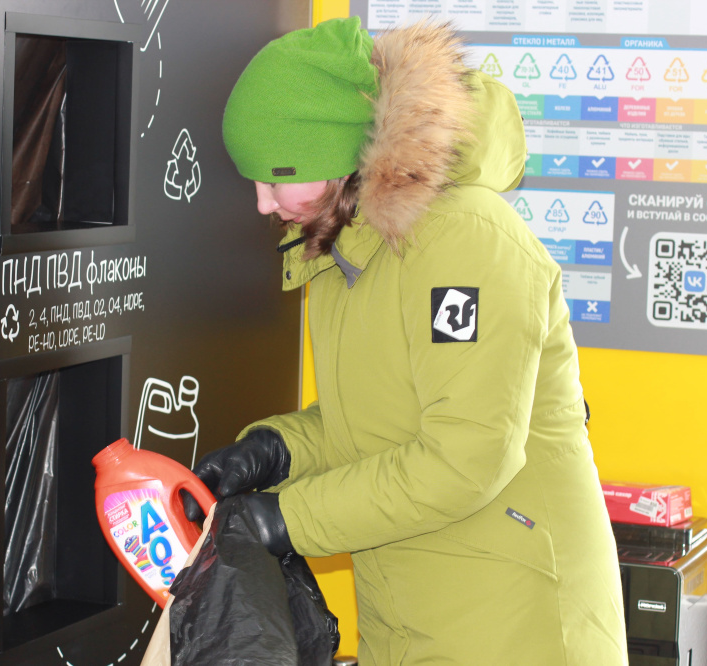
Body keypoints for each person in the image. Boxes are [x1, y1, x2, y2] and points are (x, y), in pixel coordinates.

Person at [191, 16, 628, 665]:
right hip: (411, 614)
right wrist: (272, 451)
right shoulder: (341, 251)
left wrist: (283, 520)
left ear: (330, 153)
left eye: (274, 176)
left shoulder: (466, 241)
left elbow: (464, 456)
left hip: (515, 620)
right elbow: (370, 420)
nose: (262, 204)